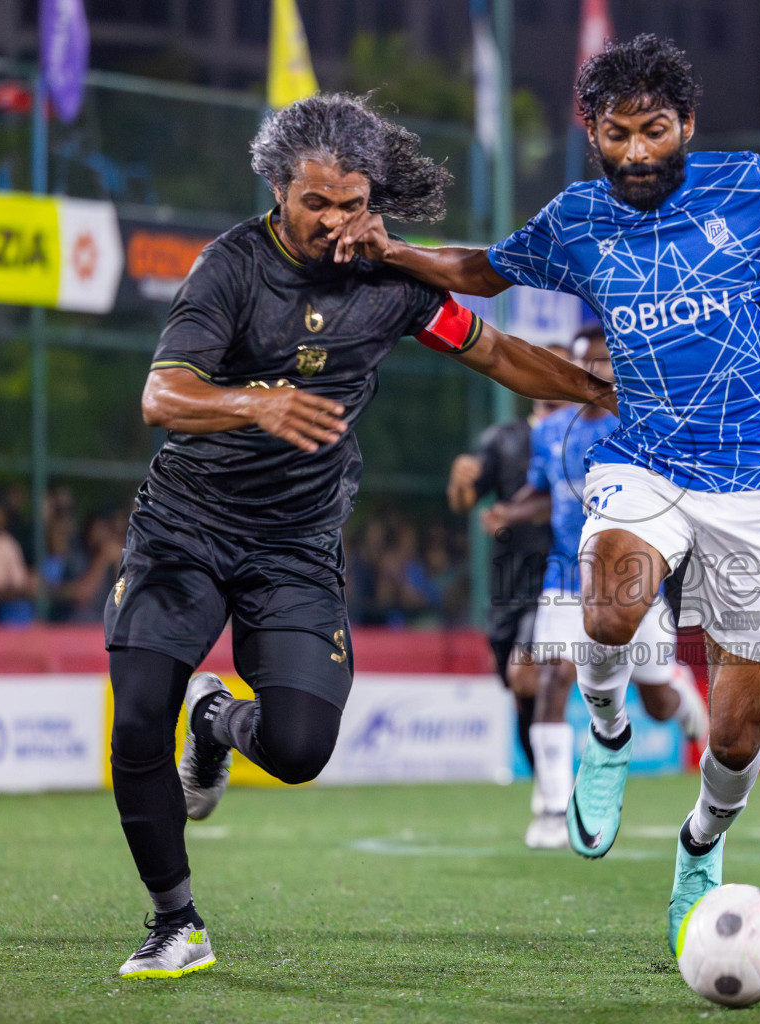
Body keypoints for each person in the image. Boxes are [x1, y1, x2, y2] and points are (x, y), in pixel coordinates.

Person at [334, 32, 760, 948]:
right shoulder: (577, 217)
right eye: (616, 134)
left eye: (654, 130)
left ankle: (701, 842)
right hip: (642, 458)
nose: (636, 152)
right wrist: (395, 249)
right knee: (610, 613)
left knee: (737, 738)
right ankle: (608, 732)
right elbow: (482, 272)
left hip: (755, 483)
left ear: (686, 125)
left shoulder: (747, 183)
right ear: (591, 131)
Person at [103, 93, 615, 981]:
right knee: (137, 716)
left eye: (354, 203)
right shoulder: (228, 267)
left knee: (300, 750)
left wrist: (597, 389)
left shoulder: (393, 285)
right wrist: (254, 402)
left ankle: (218, 721)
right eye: (317, 203)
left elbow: (493, 352)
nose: (337, 222)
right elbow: (162, 396)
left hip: (296, 548)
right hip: (183, 532)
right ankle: (175, 920)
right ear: (276, 186)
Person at [482, 324, 709, 849]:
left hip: (635, 582)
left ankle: (679, 696)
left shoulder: (641, 426)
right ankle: (550, 807)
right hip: (565, 576)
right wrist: (509, 511)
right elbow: (548, 494)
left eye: (607, 361)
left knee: (653, 702)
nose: (597, 370)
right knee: (553, 678)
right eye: (588, 360)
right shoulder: (550, 430)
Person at [446, 346, 563, 788]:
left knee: (527, 674)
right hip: (508, 582)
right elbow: (465, 502)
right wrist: (460, 484)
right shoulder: (505, 439)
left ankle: (553, 792)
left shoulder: (581, 435)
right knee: (518, 688)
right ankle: (548, 782)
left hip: (559, 578)